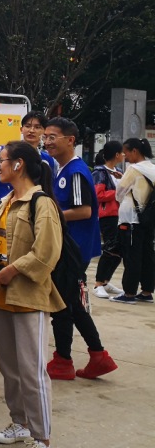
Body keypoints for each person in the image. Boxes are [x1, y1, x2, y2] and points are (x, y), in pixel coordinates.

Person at [0, 141, 65, 448]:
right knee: (10, 367)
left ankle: (42, 439)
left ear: (18, 164)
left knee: (32, 371)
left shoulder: (41, 202)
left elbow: (47, 252)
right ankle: (19, 422)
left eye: (2, 161)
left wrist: (14, 269)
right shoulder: (6, 200)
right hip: (3, 294)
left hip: (29, 297)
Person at [42, 117, 116, 381]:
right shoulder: (63, 169)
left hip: (73, 251)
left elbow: (84, 211)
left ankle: (64, 360)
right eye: (46, 137)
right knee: (72, 303)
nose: (47, 142)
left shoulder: (74, 172)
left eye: (52, 137)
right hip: (70, 248)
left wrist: (49, 216)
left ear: (70, 140)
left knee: (63, 306)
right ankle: (98, 356)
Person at [0, 111, 56, 216]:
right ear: (21, 129)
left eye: (37, 127)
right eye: (27, 126)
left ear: (44, 132)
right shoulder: (2, 151)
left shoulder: (49, 160)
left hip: (32, 215)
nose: (31, 130)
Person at [112, 138, 155, 304]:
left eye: (126, 152)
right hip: (148, 219)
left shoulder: (133, 169)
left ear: (135, 151)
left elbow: (119, 193)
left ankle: (129, 293)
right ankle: (147, 291)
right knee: (147, 255)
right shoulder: (153, 168)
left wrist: (124, 181)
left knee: (132, 256)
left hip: (131, 218)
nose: (125, 156)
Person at [92, 141, 126, 298]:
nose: (124, 155)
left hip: (121, 214)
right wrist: (118, 191)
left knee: (119, 250)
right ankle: (98, 283)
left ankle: (106, 281)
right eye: (122, 153)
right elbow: (98, 195)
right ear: (117, 155)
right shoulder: (100, 173)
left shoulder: (119, 172)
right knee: (110, 248)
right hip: (108, 215)